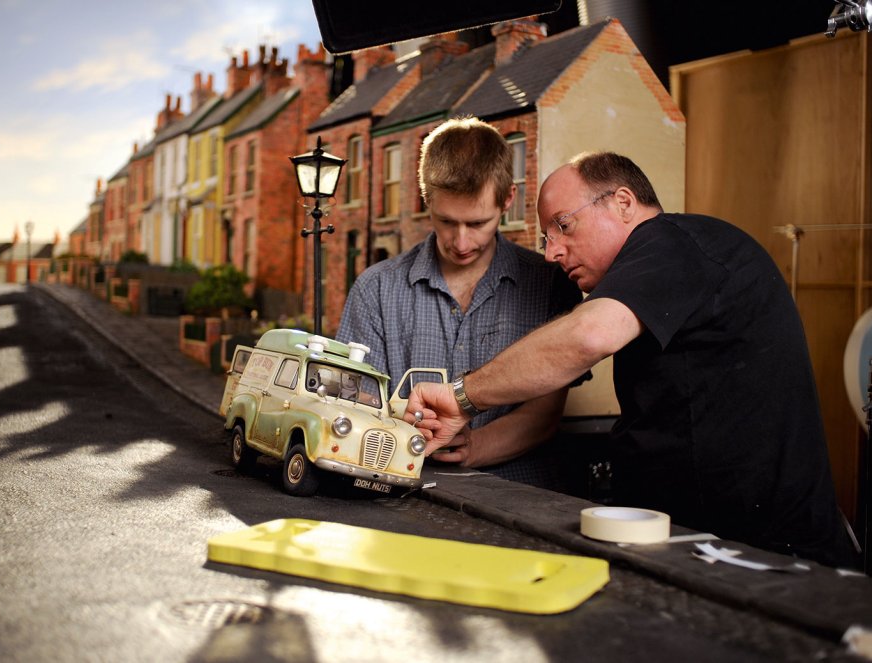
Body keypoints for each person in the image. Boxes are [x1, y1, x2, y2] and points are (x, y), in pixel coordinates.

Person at [404, 151, 859, 569]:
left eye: (564, 225)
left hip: (769, 556)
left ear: (623, 202)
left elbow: (588, 335)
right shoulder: (652, 277)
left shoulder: (675, 242)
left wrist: (461, 397)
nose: (552, 251)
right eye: (546, 236)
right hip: (701, 545)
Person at [336, 116, 585, 488]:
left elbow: (546, 411)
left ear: (508, 200)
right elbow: (351, 405)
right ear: (426, 200)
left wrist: (474, 447)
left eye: (478, 223)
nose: (462, 242)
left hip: (525, 500)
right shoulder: (375, 289)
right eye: (447, 221)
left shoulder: (551, 283)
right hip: (402, 498)